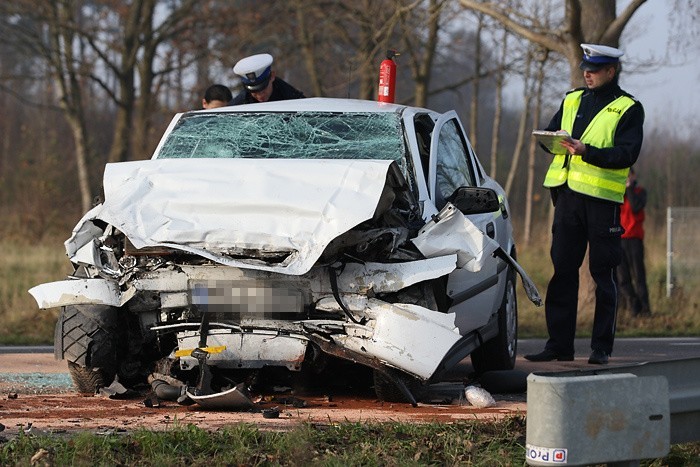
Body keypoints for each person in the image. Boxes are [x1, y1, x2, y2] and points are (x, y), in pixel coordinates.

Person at [524, 44, 645, 365]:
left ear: (611, 71)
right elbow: (550, 134)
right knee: (562, 270)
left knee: (602, 273)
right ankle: (558, 345)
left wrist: (586, 151)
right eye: (585, 69)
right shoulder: (572, 98)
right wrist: (549, 140)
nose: (587, 74)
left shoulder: (628, 108)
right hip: (566, 198)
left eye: (594, 69)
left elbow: (626, 154)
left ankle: (601, 348)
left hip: (602, 202)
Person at [617, 167, 652, 317]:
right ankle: (632, 306)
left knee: (639, 275)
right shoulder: (618, 193)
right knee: (623, 277)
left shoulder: (640, 192)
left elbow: (636, 207)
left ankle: (645, 309)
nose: (626, 177)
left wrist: (630, 188)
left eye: (628, 174)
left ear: (633, 175)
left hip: (635, 239)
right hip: (619, 239)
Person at [230, 53, 305, 105]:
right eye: (254, 92)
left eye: (263, 89)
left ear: (272, 76)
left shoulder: (292, 98)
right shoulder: (241, 102)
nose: (260, 96)